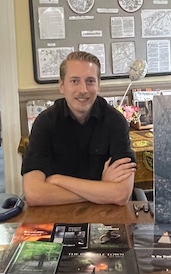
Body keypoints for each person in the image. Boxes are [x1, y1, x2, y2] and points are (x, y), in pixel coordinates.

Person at [21, 51, 137, 206]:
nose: (83, 90)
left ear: (98, 86)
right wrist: (102, 188)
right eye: (74, 81)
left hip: (104, 216)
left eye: (90, 81)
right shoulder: (45, 122)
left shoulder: (116, 122)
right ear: (62, 86)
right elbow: (34, 194)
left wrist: (57, 180)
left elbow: (121, 194)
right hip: (57, 214)